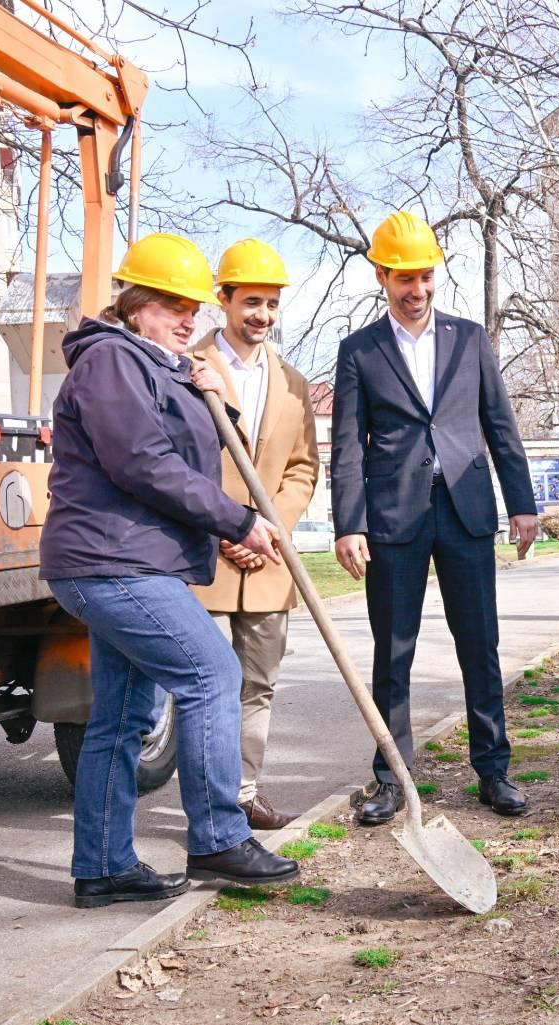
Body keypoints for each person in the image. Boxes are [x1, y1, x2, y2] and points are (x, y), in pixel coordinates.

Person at [41, 232, 301, 908]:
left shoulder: (156, 365)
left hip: (130, 561)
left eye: (192, 309)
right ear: (134, 304)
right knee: (212, 674)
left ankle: (104, 867)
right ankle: (217, 835)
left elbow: (195, 448)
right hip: (114, 562)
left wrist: (213, 394)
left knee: (122, 717)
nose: (187, 320)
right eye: (171, 306)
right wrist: (238, 521)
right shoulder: (110, 361)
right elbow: (144, 463)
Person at [331, 212, 539, 826]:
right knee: (393, 650)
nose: (417, 289)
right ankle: (392, 778)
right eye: (404, 278)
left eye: (425, 276)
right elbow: (347, 445)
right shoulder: (358, 351)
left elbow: (500, 424)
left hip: (465, 510)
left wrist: (522, 502)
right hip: (394, 518)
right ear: (382, 276)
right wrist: (349, 523)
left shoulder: (470, 339)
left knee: (480, 644)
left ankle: (494, 770)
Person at [189, 238, 321, 831]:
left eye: (271, 304)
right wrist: (225, 526)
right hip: (206, 557)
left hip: (267, 562)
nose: (262, 315)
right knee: (208, 690)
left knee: (258, 687)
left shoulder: (293, 383)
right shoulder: (187, 368)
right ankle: (208, 807)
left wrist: (268, 529)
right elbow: (175, 463)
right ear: (223, 298)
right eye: (251, 301)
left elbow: (302, 469)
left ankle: (242, 796)